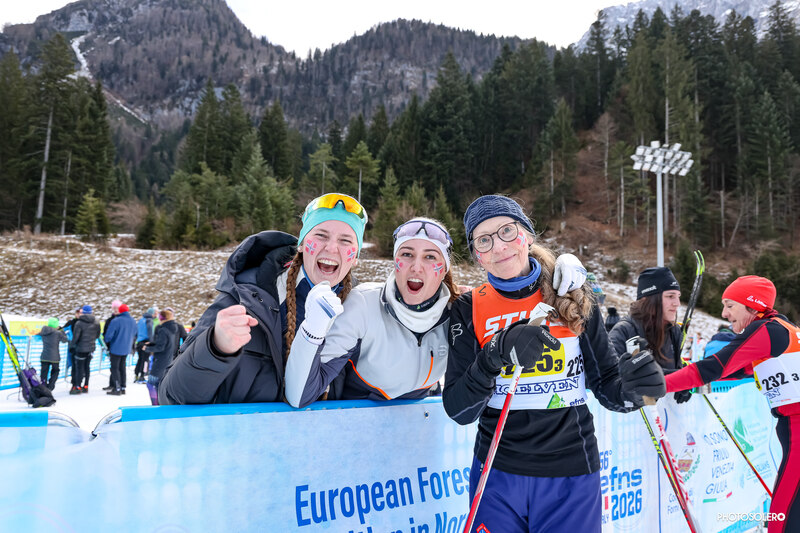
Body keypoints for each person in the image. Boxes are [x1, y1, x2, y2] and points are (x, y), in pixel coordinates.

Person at [442, 195, 666, 533]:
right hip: (497, 474)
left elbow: (607, 383)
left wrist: (636, 391)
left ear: (527, 235)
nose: (498, 246)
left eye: (507, 231)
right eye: (484, 240)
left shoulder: (570, 293)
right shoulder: (468, 307)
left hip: (570, 474)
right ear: (477, 255)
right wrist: (494, 354)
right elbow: (460, 410)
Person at [159, 193, 367, 405]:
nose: (331, 248)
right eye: (321, 235)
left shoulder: (361, 314)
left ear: (355, 257)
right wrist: (215, 347)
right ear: (302, 244)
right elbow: (173, 398)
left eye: (345, 240)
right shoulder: (246, 297)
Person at [665, 275, 799, 533]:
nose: (724, 314)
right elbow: (735, 370)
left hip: (797, 430)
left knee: (780, 521)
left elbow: (715, 367)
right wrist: (676, 376)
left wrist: (659, 384)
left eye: (730, 305)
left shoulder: (766, 330)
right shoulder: (782, 327)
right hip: (793, 429)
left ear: (752, 305)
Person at [285, 217, 458, 406]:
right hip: (358, 420)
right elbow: (300, 396)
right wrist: (312, 331)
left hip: (420, 420)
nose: (416, 267)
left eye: (430, 257)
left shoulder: (457, 315)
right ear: (395, 261)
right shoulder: (363, 305)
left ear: (444, 269)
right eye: (407, 254)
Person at [608, 266, 691, 404]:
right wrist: (676, 377)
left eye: (678, 297)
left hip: (667, 413)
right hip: (633, 414)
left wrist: (682, 383)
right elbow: (610, 382)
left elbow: (675, 368)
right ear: (648, 299)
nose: (677, 303)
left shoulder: (674, 331)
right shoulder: (624, 330)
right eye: (670, 296)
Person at [143, 308, 179, 404]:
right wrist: (151, 344)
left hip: (160, 361)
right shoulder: (171, 328)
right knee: (159, 384)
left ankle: (156, 404)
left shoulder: (163, 330)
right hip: (167, 360)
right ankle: (160, 404)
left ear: (162, 318)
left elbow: (160, 347)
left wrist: (147, 348)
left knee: (151, 384)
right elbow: (164, 344)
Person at [103, 303, 137, 395]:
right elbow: (135, 334)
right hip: (126, 348)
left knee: (115, 368)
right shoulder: (133, 321)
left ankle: (117, 388)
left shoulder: (116, 321)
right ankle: (122, 387)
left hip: (116, 348)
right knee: (122, 367)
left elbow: (108, 336)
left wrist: (107, 341)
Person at [69, 305, 100, 394]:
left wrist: (71, 346)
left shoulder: (79, 323)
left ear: (83, 312)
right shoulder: (96, 322)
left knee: (79, 368)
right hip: (91, 348)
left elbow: (76, 337)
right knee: (87, 367)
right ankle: (86, 386)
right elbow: (97, 335)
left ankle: (77, 386)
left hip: (81, 348)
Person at [39, 317, 67, 390]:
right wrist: (62, 330)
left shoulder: (43, 331)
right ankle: (51, 386)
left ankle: (43, 386)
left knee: (44, 372)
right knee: (55, 371)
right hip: (55, 357)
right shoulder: (58, 333)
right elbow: (65, 340)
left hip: (44, 356)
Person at [134, 308, 156, 383]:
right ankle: (142, 376)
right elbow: (150, 331)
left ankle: (136, 374)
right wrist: (151, 342)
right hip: (146, 342)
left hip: (139, 342)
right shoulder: (149, 320)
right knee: (145, 360)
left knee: (140, 359)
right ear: (152, 314)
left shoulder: (141, 320)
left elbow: (136, 331)